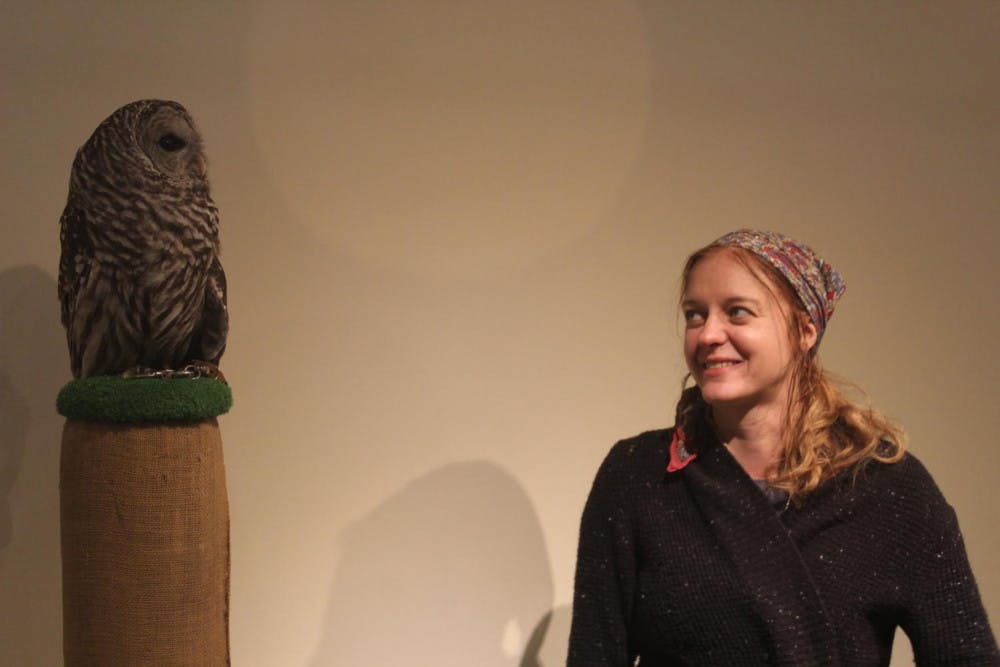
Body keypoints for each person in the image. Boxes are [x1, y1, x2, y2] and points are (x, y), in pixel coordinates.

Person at [567, 230, 998, 665]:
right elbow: (594, 654)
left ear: (804, 330)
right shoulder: (639, 475)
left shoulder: (888, 487)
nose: (708, 334)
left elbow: (966, 655)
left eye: (737, 312)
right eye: (695, 315)